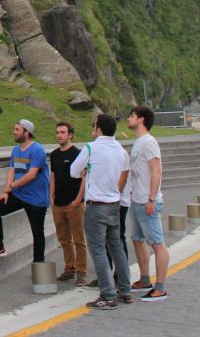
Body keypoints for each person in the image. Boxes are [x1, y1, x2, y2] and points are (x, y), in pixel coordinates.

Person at [70, 114, 132, 309]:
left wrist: (86, 170)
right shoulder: (121, 151)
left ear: (99, 129)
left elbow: (73, 171)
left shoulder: (91, 147)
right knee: (117, 248)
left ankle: (107, 294)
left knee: (98, 250)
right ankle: (125, 289)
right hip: (115, 204)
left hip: (96, 206)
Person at [0, 119, 49, 263]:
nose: (14, 132)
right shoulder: (16, 150)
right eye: (14, 129)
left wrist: (12, 186)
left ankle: (39, 266)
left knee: (37, 233)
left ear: (27, 132)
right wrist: (6, 191)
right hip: (19, 194)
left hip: (36, 199)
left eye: (17, 129)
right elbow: (12, 170)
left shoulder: (37, 150)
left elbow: (32, 174)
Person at [127, 105, 170, 301]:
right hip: (136, 201)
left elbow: (156, 171)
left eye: (132, 116)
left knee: (157, 243)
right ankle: (145, 278)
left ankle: (160, 287)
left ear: (141, 119)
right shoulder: (138, 142)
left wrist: (151, 199)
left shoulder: (149, 142)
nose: (128, 119)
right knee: (137, 239)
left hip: (147, 201)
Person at [49, 122, 87, 286]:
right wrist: (51, 195)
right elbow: (53, 176)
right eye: (57, 132)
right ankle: (69, 268)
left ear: (70, 135)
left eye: (63, 132)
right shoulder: (55, 154)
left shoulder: (78, 153)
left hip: (74, 203)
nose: (59, 135)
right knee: (64, 239)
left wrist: (78, 199)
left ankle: (81, 271)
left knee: (78, 239)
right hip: (58, 203)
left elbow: (84, 177)